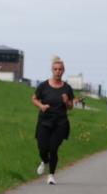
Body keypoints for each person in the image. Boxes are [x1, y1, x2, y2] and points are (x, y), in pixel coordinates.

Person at [31, 57, 75, 185]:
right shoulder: (43, 86)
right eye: (55, 69)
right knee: (42, 148)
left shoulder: (67, 88)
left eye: (60, 69)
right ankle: (44, 161)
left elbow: (71, 106)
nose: (58, 71)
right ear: (52, 70)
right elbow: (34, 98)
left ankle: (51, 175)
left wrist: (67, 101)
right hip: (44, 121)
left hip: (60, 123)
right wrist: (41, 106)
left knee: (53, 148)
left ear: (63, 71)